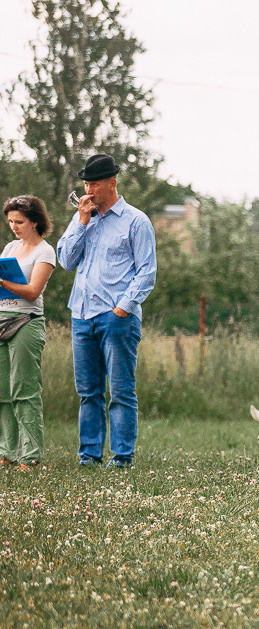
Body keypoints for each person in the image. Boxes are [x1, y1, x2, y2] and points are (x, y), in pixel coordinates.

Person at [57, 153, 157, 468]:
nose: (88, 190)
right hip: (81, 315)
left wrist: (122, 310)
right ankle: (89, 456)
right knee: (88, 392)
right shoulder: (81, 217)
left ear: (111, 183)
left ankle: (122, 457)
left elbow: (146, 272)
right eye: (86, 183)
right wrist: (81, 222)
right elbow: (65, 261)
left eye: (95, 184)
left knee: (121, 390)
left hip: (116, 318)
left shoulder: (136, 221)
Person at [0, 195, 56, 469]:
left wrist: (3, 282)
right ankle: (7, 452)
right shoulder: (10, 247)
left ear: (35, 221)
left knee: (24, 390)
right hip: (1, 318)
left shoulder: (44, 252)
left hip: (26, 321)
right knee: (2, 391)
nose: (14, 226)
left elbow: (33, 292)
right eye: (10, 221)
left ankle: (31, 455)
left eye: (19, 221)